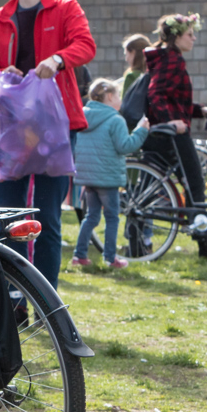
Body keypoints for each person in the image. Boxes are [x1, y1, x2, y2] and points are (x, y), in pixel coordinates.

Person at [0, 0, 94, 286]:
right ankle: (11, 297)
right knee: (6, 218)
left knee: (48, 218)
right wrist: (0, 74)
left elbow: (85, 45)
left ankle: (47, 302)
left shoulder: (66, 8)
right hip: (10, 128)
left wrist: (58, 59)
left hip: (55, 126)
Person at [72, 78, 150, 269]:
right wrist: (141, 131)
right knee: (112, 217)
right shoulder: (116, 120)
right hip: (107, 179)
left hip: (88, 177)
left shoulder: (82, 116)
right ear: (109, 96)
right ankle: (110, 257)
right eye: (118, 95)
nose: (121, 100)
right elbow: (125, 146)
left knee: (91, 216)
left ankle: (79, 255)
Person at [144, 13, 207, 204]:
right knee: (195, 181)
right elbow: (155, 93)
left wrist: (201, 111)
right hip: (172, 134)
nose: (194, 38)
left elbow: (175, 101)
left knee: (150, 184)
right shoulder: (173, 60)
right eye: (190, 34)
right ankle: (200, 228)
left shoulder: (165, 58)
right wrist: (170, 122)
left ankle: (136, 228)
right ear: (177, 37)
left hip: (160, 133)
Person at [122, 33, 150, 97]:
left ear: (133, 53)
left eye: (126, 54)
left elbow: (125, 103)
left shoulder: (131, 76)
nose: (126, 59)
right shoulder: (155, 74)